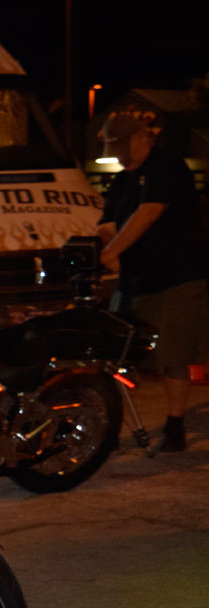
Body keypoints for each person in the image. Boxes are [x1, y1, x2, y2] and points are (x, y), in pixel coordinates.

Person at [97, 113, 209, 452]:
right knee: (115, 355)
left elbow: (148, 213)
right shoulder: (122, 181)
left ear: (141, 138)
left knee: (173, 354)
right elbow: (106, 224)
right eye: (113, 150)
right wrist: (109, 250)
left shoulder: (167, 166)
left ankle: (175, 425)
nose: (119, 157)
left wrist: (111, 253)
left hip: (176, 277)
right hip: (134, 280)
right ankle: (111, 426)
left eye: (123, 148)